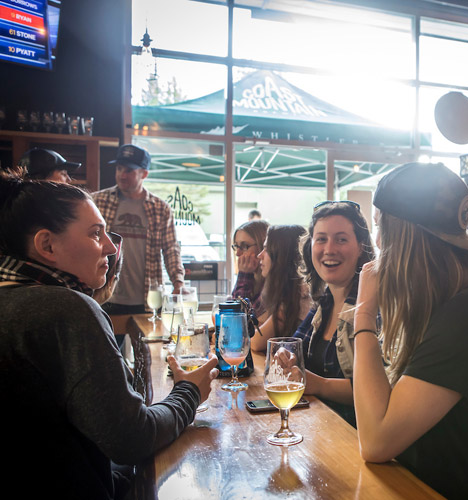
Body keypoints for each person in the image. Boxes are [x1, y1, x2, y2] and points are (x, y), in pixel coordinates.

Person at [0, 173, 218, 500]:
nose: (112, 246)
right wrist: (189, 392)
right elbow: (131, 438)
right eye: (96, 233)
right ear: (47, 244)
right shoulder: (65, 309)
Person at [351, 162, 468, 499]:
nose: (375, 241)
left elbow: (376, 442)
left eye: (379, 226)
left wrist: (363, 316)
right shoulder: (447, 298)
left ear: (402, 235)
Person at [293, 201, 375, 425]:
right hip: (319, 432)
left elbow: (384, 387)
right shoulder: (324, 301)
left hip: (357, 439)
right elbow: (292, 348)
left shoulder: (373, 305)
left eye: (341, 239)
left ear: (361, 247)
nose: (329, 249)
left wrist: (320, 384)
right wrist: (286, 357)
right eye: (321, 239)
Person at [92, 144, 184, 318]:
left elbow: (171, 248)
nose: (122, 175)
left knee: (150, 346)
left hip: (148, 297)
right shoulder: (97, 201)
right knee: (107, 345)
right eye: (119, 169)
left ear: (144, 174)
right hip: (105, 295)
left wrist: (178, 281)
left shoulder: (160, 208)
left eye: (129, 171)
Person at [250, 224, 312, 352]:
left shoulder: (299, 295)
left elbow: (256, 342)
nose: (259, 255)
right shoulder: (289, 291)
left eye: (266, 249)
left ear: (282, 256)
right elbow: (259, 323)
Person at [231, 220, 269, 312]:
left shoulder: (272, 282)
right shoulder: (254, 278)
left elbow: (240, 315)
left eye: (245, 246)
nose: (238, 253)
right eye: (236, 246)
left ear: (262, 246)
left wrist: (244, 275)